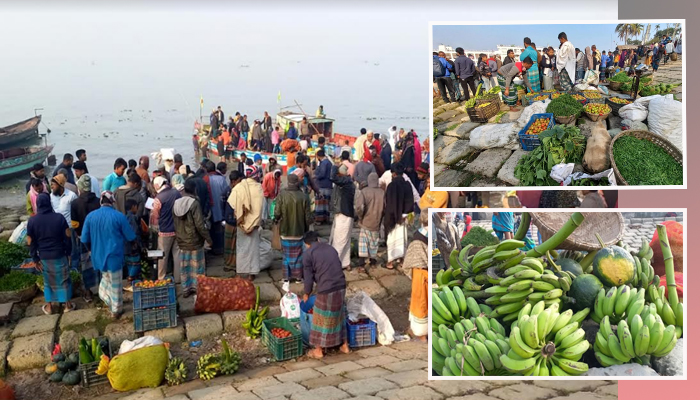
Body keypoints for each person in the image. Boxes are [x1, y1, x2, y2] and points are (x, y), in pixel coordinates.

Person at [81, 192, 136, 319]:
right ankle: (116, 310)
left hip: (98, 256)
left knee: (106, 279)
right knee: (116, 284)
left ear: (101, 201)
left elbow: (84, 239)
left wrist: (90, 250)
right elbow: (130, 236)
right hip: (114, 256)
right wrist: (134, 245)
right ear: (112, 202)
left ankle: (107, 298)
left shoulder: (90, 217)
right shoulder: (118, 216)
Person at [301, 231, 350, 359]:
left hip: (326, 289)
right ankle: (344, 345)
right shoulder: (330, 248)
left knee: (320, 318)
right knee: (338, 315)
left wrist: (307, 293)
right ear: (318, 239)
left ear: (307, 244)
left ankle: (318, 350)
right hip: (341, 285)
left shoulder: (308, 254)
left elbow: (308, 277)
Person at [27, 193, 73, 315]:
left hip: (44, 257)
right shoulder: (59, 218)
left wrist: (35, 258)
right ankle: (67, 305)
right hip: (59, 254)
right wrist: (69, 253)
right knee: (64, 279)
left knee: (48, 281)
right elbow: (67, 237)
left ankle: (49, 306)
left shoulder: (32, 221)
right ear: (49, 203)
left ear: (38, 204)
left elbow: (31, 242)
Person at [173, 179, 213, 297]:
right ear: (194, 189)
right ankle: (198, 287)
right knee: (197, 266)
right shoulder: (194, 203)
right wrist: (208, 239)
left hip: (182, 240)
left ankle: (186, 289)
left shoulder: (176, 203)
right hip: (195, 241)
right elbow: (200, 225)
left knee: (185, 266)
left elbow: (175, 223)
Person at [274, 174, 312, 282]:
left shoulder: (282, 195)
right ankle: (298, 277)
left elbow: (277, 213)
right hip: (299, 231)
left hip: (285, 231)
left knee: (286, 255)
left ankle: (286, 278)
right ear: (298, 183)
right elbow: (308, 217)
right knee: (298, 255)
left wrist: (276, 220)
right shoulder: (304, 196)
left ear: (288, 182)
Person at [228, 166, 264, 280]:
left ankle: (240, 273)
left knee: (241, 248)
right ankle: (251, 274)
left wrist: (238, 216)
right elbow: (260, 207)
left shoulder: (239, 187)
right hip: (253, 224)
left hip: (241, 222)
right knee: (253, 249)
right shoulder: (258, 188)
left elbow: (232, 203)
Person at [70, 174, 101, 302]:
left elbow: (74, 223)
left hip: (83, 237)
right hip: (98, 238)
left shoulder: (75, 203)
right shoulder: (98, 201)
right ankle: (101, 288)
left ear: (80, 187)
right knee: (99, 261)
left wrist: (79, 234)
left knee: (85, 264)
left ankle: (88, 292)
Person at [402, 209, 429, 341]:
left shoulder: (418, 236)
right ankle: (423, 333)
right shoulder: (437, 234)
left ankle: (421, 333)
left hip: (421, 273)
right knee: (426, 303)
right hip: (428, 273)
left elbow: (411, 259)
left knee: (420, 303)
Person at [150, 176, 182, 282]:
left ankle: (161, 278)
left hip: (164, 232)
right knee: (177, 255)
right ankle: (178, 278)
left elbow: (155, 217)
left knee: (163, 256)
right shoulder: (176, 193)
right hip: (177, 229)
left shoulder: (159, 199)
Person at [384, 163, 414, 270]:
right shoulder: (407, 185)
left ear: (394, 173)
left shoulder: (391, 186)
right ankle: (402, 260)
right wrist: (404, 214)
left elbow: (389, 203)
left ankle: (390, 262)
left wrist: (392, 217)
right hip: (403, 217)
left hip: (393, 218)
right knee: (402, 238)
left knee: (392, 239)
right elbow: (410, 201)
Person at [354, 172, 383, 270]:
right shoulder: (382, 192)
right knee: (374, 243)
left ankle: (361, 264)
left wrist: (360, 217)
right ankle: (373, 262)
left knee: (363, 243)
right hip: (376, 222)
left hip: (365, 222)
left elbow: (359, 207)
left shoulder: (364, 191)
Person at [329, 164, 354, 270]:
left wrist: (335, 165)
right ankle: (345, 262)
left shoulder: (346, 182)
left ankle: (334, 263)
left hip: (344, 214)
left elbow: (332, 177)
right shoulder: (345, 182)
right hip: (343, 214)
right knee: (344, 240)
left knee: (340, 240)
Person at [203, 160, 228, 255]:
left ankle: (213, 247)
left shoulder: (205, 179)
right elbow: (227, 194)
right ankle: (220, 248)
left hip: (210, 209)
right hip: (220, 208)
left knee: (211, 229)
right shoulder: (221, 179)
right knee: (220, 229)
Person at [222, 171, 242, 272]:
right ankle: (229, 264)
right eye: (239, 181)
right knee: (230, 244)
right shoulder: (230, 191)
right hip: (232, 220)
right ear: (234, 181)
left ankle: (232, 264)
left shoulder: (228, 190)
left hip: (234, 220)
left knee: (233, 244)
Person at [122, 199, 142, 292]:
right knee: (136, 263)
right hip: (132, 245)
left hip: (125, 246)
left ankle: (132, 282)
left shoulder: (124, 217)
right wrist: (136, 243)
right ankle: (130, 281)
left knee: (129, 263)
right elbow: (133, 232)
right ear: (133, 207)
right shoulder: (132, 217)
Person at [313, 150, 333, 224]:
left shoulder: (324, 163)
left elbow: (322, 174)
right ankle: (325, 218)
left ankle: (319, 220)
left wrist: (315, 176)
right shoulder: (328, 162)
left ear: (318, 156)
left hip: (322, 186)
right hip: (328, 185)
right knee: (326, 204)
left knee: (320, 203)